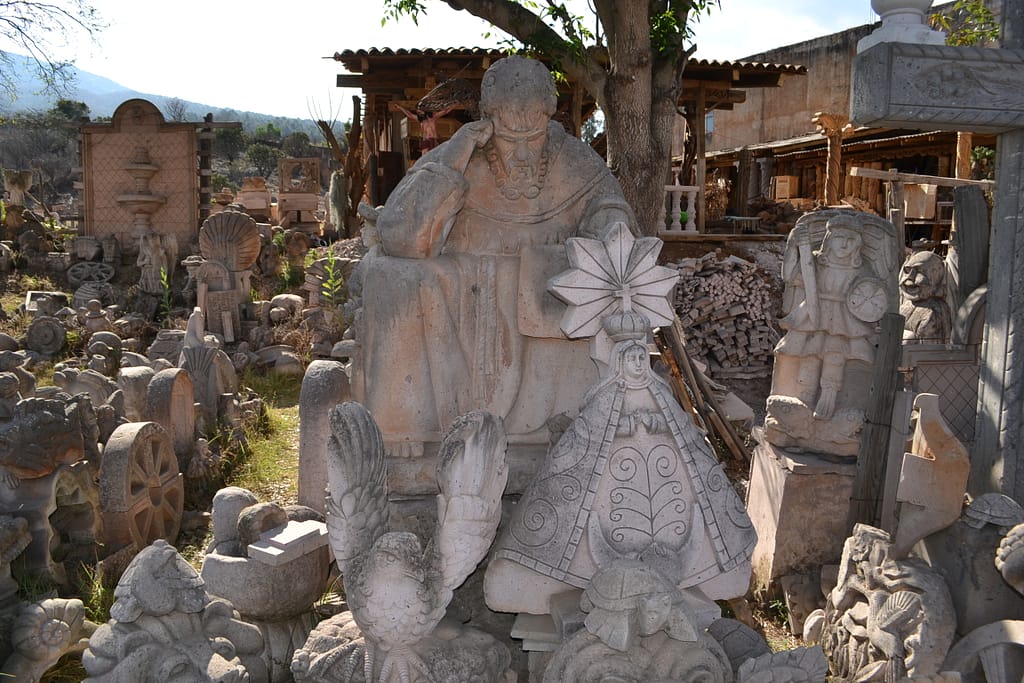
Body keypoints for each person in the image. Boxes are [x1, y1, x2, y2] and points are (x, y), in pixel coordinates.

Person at [353, 56, 635, 453]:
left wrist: (610, 226)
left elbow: (610, 210)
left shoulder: (574, 160)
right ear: (487, 118)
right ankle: (407, 434)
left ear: (549, 116)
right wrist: (458, 152)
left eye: (533, 131)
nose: (520, 152)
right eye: (507, 132)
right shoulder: (465, 152)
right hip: (458, 298)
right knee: (390, 277)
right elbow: (401, 236)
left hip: (540, 291)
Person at [484, 334, 756, 615]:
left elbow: (681, 428)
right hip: (612, 495)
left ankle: (674, 570)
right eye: (632, 359)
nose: (638, 365)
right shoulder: (607, 395)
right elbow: (592, 431)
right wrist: (623, 426)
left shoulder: (660, 392)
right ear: (620, 362)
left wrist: (653, 422)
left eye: (641, 358)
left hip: (666, 490)